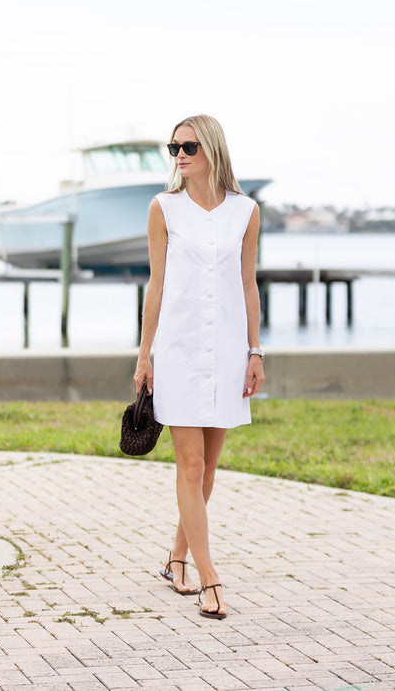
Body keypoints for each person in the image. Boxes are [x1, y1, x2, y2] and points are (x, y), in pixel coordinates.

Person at [133, 114, 265, 620]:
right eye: (174, 148)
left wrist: (255, 351)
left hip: (228, 353)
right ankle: (210, 578)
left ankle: (176, 558)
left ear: (211, 149)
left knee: (207, 469)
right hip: (179, 352)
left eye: (188, 146)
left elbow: (248, 284)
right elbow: (157, 285)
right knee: (189, 466)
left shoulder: (245, 211)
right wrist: (144, 354)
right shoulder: (163, 208)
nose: (180, 155)